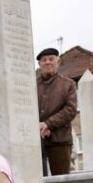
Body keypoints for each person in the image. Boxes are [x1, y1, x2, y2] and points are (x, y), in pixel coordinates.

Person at [36, 48, 77, 176]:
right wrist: (38, 126)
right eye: (44, 60)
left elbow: (70, 110)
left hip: (60, 140)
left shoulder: (68, 84)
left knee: (61, 181)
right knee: (35, 181)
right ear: (39, 64)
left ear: (58, 62)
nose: (47, 62)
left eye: (51, 59)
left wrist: (48, 124)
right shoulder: (31, 85)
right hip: (35, 141)